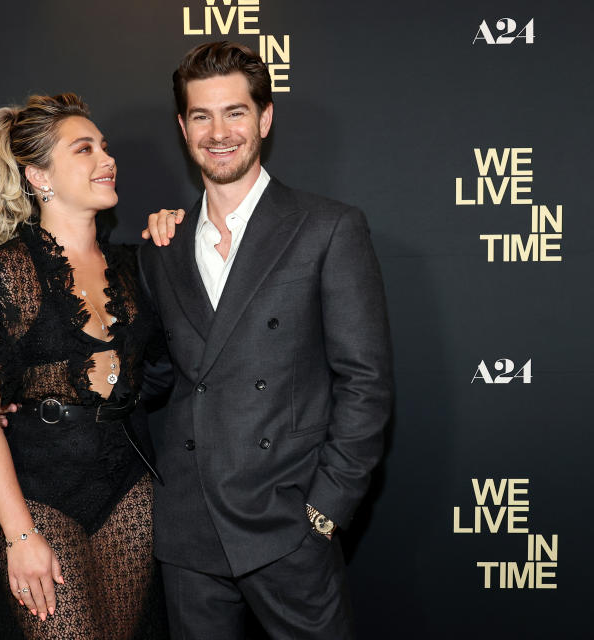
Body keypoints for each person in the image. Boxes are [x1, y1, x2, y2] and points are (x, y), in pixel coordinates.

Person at [137, 42, 393, 639]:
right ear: (182, 127)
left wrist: (325, 509)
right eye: (201, 115)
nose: (219, 132)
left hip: (286, 522)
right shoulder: (160, 246)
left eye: (235, 112)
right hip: (188, 530)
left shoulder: (328, 227)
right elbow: (155, 376)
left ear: (265, 118)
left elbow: (366, 381)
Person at [0, 93, 168, 640]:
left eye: (106, 147)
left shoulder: (136, 268)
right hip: (42, 497)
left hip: (132, 492)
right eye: (84, 149)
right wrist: (19, 535)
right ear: (38, 176)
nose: (106, 158)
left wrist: (179, 233)